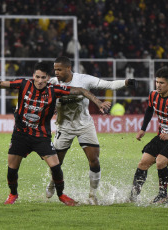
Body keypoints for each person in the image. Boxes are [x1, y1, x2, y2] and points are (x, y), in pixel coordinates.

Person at [0, 62, 111, 206]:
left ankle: (61, 195)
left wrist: (98, 102)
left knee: (56, 167)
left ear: (48, 78)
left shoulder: (54, 89)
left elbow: (82, 90)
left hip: (41, 136)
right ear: (33, 76)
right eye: (37, 77)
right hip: (20, 135)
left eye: (43, 78)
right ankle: (13, 194)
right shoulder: (23, 83)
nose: (39, 81)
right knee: (12, 169)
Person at [46, 56, 136, 205]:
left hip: (84, 125)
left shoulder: (84, 79)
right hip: (63, 126)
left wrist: (127, 82)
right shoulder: (53, 83)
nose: (56, 72)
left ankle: (92, 195)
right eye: (55, 69)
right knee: (56, 163)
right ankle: (52, 183)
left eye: (59, 69)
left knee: (94, 160)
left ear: (68, 68)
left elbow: (109, 85)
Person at [129, 66, 168, 204]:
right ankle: (133, 195)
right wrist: (143, 129)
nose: (158, 85)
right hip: (162, 137)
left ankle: (163, 196)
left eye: (162, 83)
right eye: (157, 82)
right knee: (143, 162)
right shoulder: (153, 95)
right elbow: (149, 110)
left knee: (160, 162)